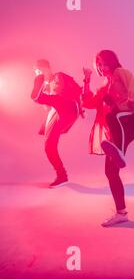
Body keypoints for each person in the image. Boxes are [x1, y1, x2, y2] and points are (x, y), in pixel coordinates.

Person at [82, 50, 134, 226]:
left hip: (128, 121)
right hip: (116, 130)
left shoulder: (120, 73)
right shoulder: (105, 85)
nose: (101, 67)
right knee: (110, 172)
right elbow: (89, 103)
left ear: (112, 61)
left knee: (112, 116)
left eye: (103, 63)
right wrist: (86, 81)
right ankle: (121, 212)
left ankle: (120, 152)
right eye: (98, 65)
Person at [31, 59, 82, 188]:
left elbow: (72, 91)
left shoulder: (59, 76)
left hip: (67, 106)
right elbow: (47, 107)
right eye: (37, 71)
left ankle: (37, 96)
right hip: (57, 111)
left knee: (42, 98)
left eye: (40, 70)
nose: (39, 72)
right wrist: (44, 91)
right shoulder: (46, 85)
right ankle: (62, 176)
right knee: (49, 146)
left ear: (47, 68)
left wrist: (80, 107)